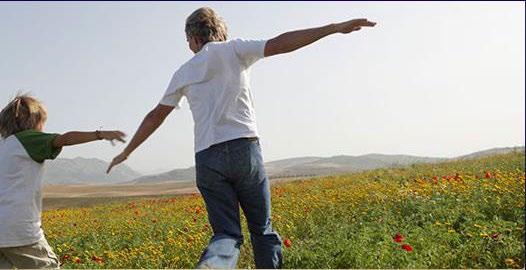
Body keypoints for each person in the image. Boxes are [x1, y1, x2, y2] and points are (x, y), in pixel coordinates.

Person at [107, 7, 375, 269]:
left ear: (195, 38)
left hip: (207, 159)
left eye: (187, 40)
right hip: (244, 150)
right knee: (262, 228)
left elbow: (156, 116)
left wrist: (127, 152)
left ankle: (213, 264)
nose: (188, 44)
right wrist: (332, 28)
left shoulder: (184, 72)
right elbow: (281, 43)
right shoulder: (235, 49)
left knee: (226, 234)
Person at [0, 94, 126, 269]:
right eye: (42, 122)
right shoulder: (28, 139)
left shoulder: (3, 144)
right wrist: (100, 134)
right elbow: (64, 139)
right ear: (31, 121)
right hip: (19, 229)